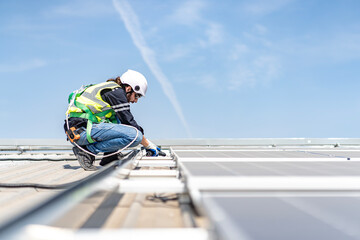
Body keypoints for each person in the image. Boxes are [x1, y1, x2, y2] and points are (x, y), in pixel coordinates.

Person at [64, 69, 161, 171]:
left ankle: (109, 157)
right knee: (135, 136)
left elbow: (125, 122)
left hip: (79, 130)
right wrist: (149, 145)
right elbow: (129, 123)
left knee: (122, 124)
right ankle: (87, 152)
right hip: (81, 131)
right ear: (128, 88)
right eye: (136, 96)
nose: (135, 101)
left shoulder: (111, 89)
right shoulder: (117, 92)